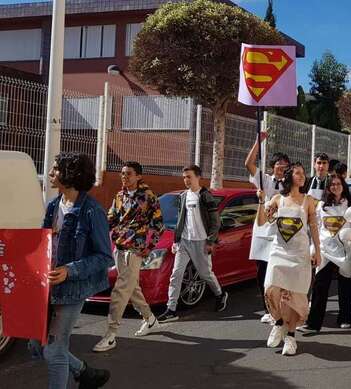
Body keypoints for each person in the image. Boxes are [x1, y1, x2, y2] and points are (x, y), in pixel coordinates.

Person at [21, 152, 113, 388]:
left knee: (55, 351)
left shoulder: (92, 211)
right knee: (35, 345)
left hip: (72, 290)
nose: (50, 173)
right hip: (47, 287)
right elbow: (43, 245)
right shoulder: (54, 205)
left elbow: (105, 257)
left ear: (70, 175)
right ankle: (85, 373)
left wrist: (69, 270)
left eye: (55, 169)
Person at [93, 161, 164, 353]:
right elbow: (111, 218)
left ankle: (110, 334)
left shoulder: (148, 196)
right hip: (119, 247)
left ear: (138, 176)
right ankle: (150, 320)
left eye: (129, 174)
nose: (124, 177)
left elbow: (158, 225)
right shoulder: (119, 195)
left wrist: (149, 247)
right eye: (122, 174)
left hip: (135, 250)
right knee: (132, 288)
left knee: (120, 290)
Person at [258, 163, 322, 355]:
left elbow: (314, 228)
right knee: (270, 288)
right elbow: (262, 222)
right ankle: (278, 322)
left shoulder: (309, 201)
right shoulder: (278, 199)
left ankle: (291, 337)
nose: (302, 176)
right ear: (289, 176)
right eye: (298, 173)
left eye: (303, 173)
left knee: (295, 297)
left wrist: (317, 251)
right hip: (279, 253)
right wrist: (262, 202)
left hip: (300, 255)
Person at [158, 165, 227, 323]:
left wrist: (210, 241)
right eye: (184, 177)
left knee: (205, 274)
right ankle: (171, 309)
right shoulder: (183, 196)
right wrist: (176, 240)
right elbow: (180, 220)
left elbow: (216, 221)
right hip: (184, 241)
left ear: (198, 177)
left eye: (189, 177)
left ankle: (220, 294)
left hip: (201, 242)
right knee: (175, 275)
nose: (186, 180)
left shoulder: (205, 196)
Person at [244, 133, 290, 324]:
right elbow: (248, 163)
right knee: (262, 271)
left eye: (286, 165)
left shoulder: (290, 185)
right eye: (280, 163)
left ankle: (282, 306)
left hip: (282, 233)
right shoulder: (264, 180)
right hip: (264, 230)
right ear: (273, 166)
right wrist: (258, 142)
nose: (282, 167)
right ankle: (267, 308)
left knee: (279, 271)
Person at [306, 174, 351, 331]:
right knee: (320, 285)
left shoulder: (350, 204)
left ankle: (345, 318)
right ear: (328, 187)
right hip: (325, 250)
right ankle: (313, 323)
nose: (335, 186)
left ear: (343, 186)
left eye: (338, 183)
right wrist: (314, 249)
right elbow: (316, 227)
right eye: (332, 184)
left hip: (345, 250)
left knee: (345, 285)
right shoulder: (321, 205)